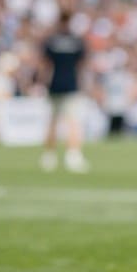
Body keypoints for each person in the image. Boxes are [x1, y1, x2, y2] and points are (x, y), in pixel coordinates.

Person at [39, 10, 89, 173]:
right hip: (69, 85)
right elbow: (82, 65)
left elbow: (45, 65)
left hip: (56, 85)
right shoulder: (76, 41)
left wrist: (42, 82)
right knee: (69, 122)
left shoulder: (52, 41)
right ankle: (70, 155)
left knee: (57, 121)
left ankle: (51, 155)